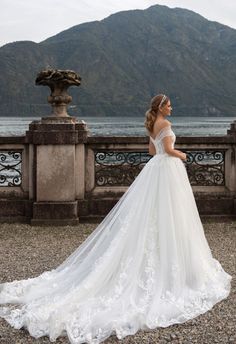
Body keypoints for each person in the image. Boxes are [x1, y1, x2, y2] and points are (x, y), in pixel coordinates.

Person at [0, 94, 232, 344]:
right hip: (168, 171)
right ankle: (175, 264)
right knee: (171, 216)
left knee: (153, 216)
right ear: (161, 107)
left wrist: (168, 153)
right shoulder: (165, 125)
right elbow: (166, 150)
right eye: (169, 104)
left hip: (156, 171)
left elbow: (151, 150)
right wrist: (182, 155)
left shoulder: (153, 124)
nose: (172, 107)